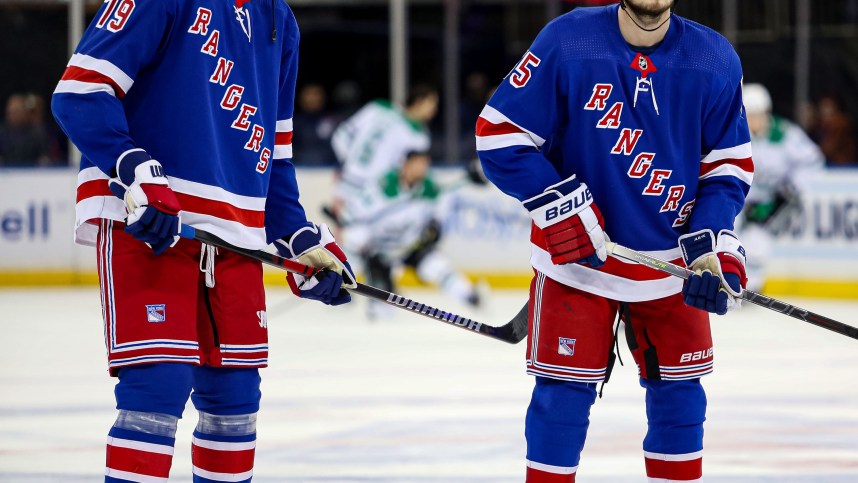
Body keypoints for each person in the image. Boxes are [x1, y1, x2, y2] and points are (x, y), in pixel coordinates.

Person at [51, 1, 355, 481]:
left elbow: (273, 156)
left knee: (235, 401)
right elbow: (81, 92)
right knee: (157, 388)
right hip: (149, 222)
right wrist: (135, 171)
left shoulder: (280, 19)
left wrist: (296, 238)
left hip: (235, 238)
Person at [476, 1, 753, 481]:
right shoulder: (568, 40)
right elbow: (499, 136)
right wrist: (561, 206)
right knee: (560, 400)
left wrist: (710, 244)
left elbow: (728, 166)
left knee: (681, 401)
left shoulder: (715, 57)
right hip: (579, 264)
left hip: (671, 269)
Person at [341, 151, 482, 319]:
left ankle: (469, 296)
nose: (422, 168)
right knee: (381, 309)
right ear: (405, 164)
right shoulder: (382, 187)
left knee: (436, 266)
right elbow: (353, 217)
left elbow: (438, 217)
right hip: (380, 251)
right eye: (418, 163)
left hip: (411, 246)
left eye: (425, 164)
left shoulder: (430, 189)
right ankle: (342, 288)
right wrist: (355, 233)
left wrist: (434, 229)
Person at [739, 83, 824, 292]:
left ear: (766, 112)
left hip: (773, 201)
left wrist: (791, 189)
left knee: (757, 243)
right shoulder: (735, 133)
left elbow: (812, 160)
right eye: (748, 114)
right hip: (740, 199)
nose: (753, 120)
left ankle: (752, 288)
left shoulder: (785, 134)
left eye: (757, 114)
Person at [329, 84, 439, 219]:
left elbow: (409, 171)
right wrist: (349, 164)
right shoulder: (379, 108)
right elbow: (342, 134)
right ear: (419, 101)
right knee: (341, 234)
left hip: (377, 193)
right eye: (431, 103)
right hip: (350, 185)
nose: (434, 110)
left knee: (361, 236)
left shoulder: (420, 136)